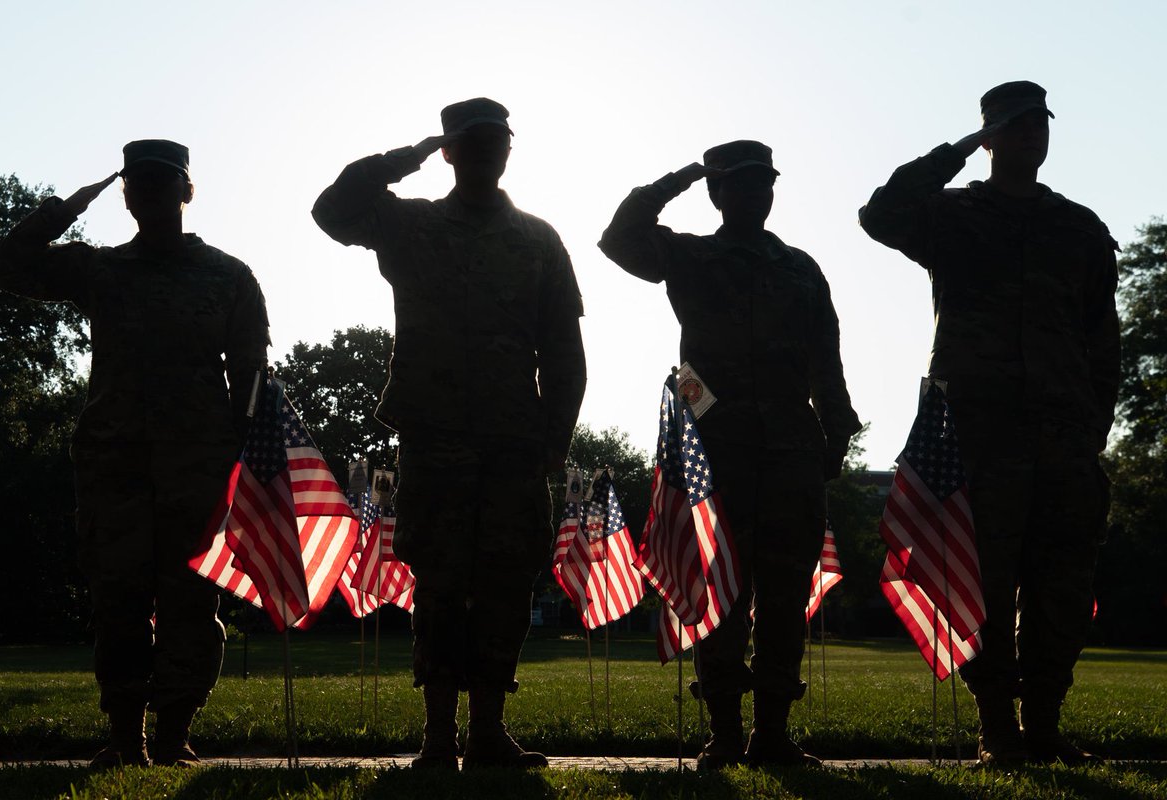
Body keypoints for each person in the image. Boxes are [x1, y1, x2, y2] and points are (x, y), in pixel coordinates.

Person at [311, 98, 586, 770]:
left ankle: (488, 731)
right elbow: (332, 210)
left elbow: (564, 351)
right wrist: (406, 157)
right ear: (451, 150)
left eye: (498, 142)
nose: (489, 152)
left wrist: (555, 439)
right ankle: (438, 736)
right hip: (436, 439)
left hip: (514, 442)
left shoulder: (539, 240)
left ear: (509, 151)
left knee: (505, 583)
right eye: (473, 141)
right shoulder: (412, 224)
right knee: (437, 582)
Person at [859, 81, 1119, 765]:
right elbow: (881, 214)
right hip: (977, 436)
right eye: (1016, 124)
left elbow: (1103, 339)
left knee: (1062, 587)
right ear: (991, 136)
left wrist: (1094, 426)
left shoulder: (1079, 228)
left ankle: (1045, 724)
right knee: (984, 583)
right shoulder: (953, 215)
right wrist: (957, 151)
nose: (1032, 134)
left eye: (1040, 124)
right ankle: (997, 727)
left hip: (1063, 436)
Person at [0, 140, 271, 767]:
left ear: (186, 191)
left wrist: (248, 457)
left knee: (191, 603)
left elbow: (252, 374)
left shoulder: (229, 276)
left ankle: (173, 734)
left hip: (198, 467)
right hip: (114, 465)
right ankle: (124, 737)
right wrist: (68, 206)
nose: (148, 192)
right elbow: (8, 266)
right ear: (124, 195)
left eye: (161, 182)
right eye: (137, 183)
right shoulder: (101, 270)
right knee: (118, 600)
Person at [599, 141, 861, 768]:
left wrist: (837, 430)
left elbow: (826, 358)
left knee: (785, 597)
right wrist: (685, 175)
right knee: (720, 597)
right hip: (714, 453)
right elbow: (619, 238)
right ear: (717, 193)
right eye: (738, 184)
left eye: (762, 184)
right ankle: (723, 731)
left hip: (791, 451)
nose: (754, 195)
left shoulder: (800, 268)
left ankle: (772, 733)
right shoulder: (690, 255)